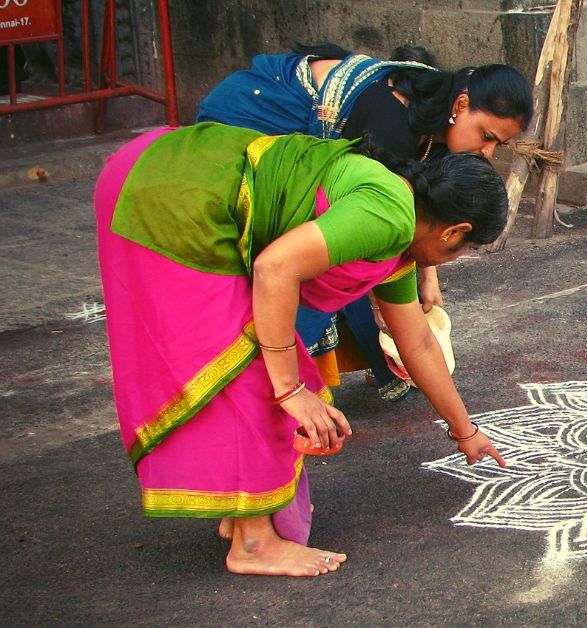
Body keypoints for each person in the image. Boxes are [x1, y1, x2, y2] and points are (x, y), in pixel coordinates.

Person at [95, 122, 508, 576]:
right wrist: (290, 390)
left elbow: (418, 342)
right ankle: (254, 541)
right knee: (260, 374)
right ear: (454, 231)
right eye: (459, 252)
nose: (445, 263)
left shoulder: (398, 234)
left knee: (262, 363)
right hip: (173, 192)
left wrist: (465, 432)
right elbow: (275, 269)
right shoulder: (388, 214)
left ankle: (242, 513)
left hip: (168, 174)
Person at [196, 45, 533, 400]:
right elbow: (380, 245)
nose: (488, 152)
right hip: (249, 122)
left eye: (499, 144)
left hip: (319, 174)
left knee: (368, 261)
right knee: (324, 266)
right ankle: (257, 385)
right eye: (487, 137)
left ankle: (301, 377)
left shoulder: (440, 131)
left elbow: (424, 218)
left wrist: (428, 274)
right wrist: (385, 308)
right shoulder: (391, 126)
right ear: (461, 106)